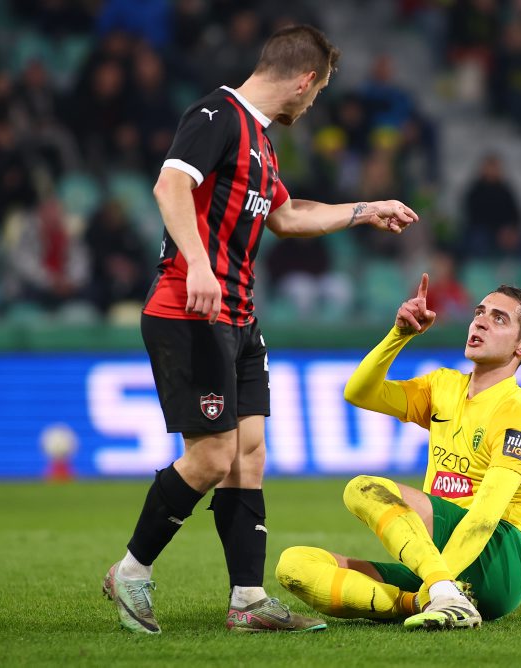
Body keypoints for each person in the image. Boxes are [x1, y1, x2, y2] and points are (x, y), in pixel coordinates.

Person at [101, 24, 419, 635]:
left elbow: (288, 215)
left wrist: (366, 209)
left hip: (240, 318)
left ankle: (247, 599)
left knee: (249, 455)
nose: (314, 103)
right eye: (318, 91)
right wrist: (198, 264)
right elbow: (170, 185)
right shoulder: (216, 115)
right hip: (190, 310)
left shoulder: (263, 144)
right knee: (212, 455)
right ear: (305, 80)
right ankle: (131, 571)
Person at [275, 273, 521, 630]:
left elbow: (484, 517)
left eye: (499, 319)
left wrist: (440, 580)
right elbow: (359, 392)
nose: (480, 321)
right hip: (440, 560)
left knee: (363, 489)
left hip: (498, 557)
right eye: (479, 312)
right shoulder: (443, 386)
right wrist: (399, 335)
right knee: (295, 565)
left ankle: (445, 593)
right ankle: (423, 602)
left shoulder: (517, 414)